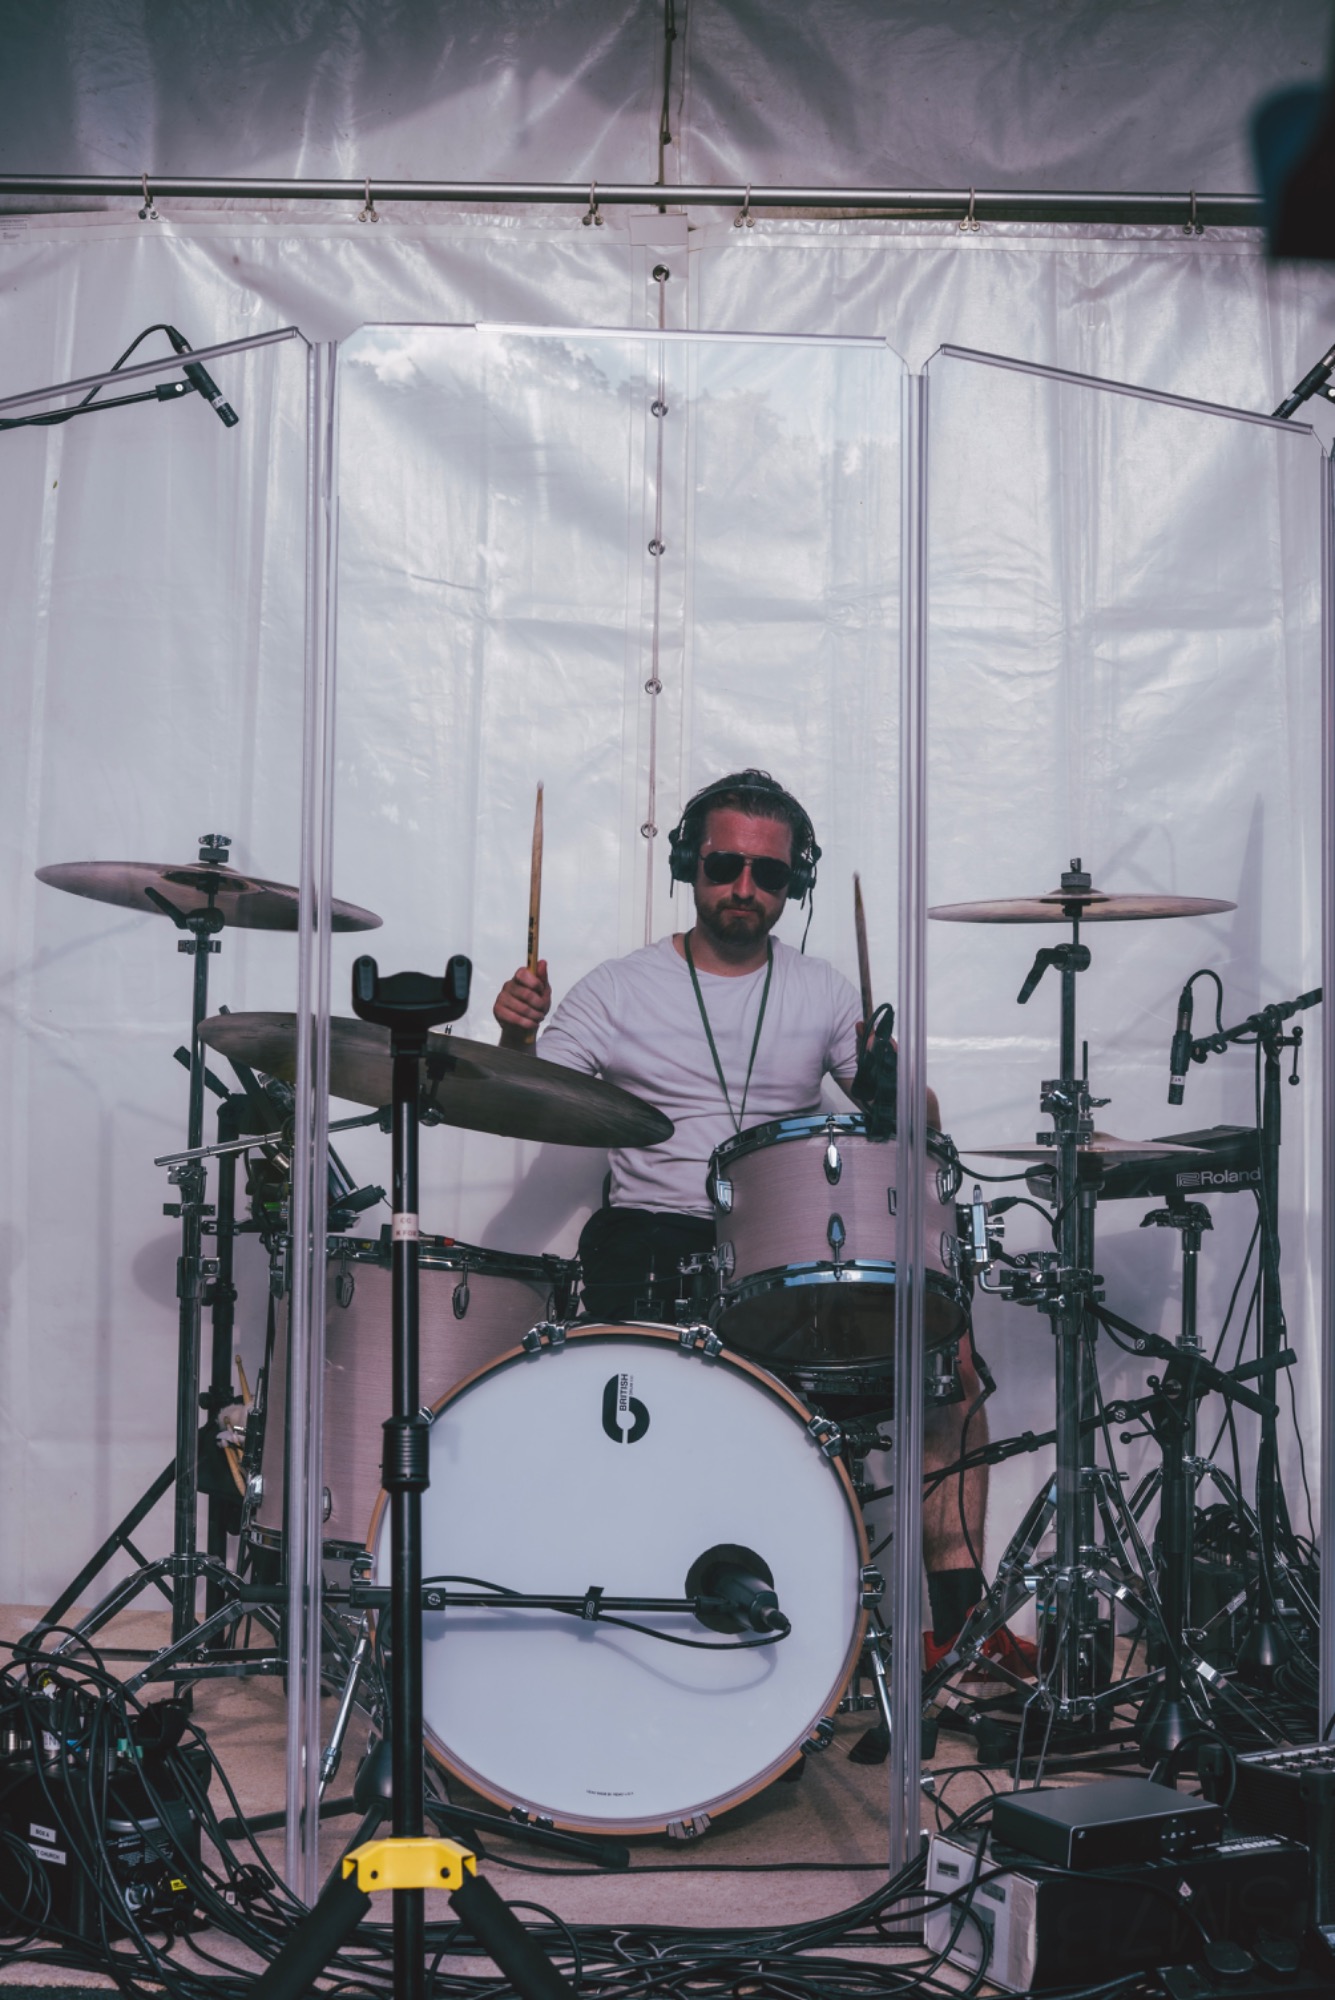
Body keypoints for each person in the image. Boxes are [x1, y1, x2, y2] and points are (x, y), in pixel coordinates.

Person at [494, 770, 993, 1669]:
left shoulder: (823, 990)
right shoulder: (617, 989)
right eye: (724, 865)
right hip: (657, 1240)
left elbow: (921, 1122)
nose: (744, 888)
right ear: (689, 864)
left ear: (794, 883)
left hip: (785, 1247)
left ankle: (961, 1632)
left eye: (768, 874)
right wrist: (515, 1039)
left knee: (943, 1366)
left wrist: (896, 1087)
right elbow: (526, 1098)